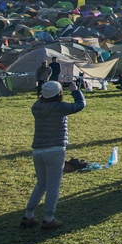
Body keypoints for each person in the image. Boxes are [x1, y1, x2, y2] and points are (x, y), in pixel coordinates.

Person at [22, 80, 85, 230]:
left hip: (38, 150)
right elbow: (80, 105)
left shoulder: (36, 106)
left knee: (41, 184)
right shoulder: (59, 107)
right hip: (55, 150)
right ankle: (49, 218)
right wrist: (75, 91)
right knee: (53, 186)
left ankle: (28, 215)